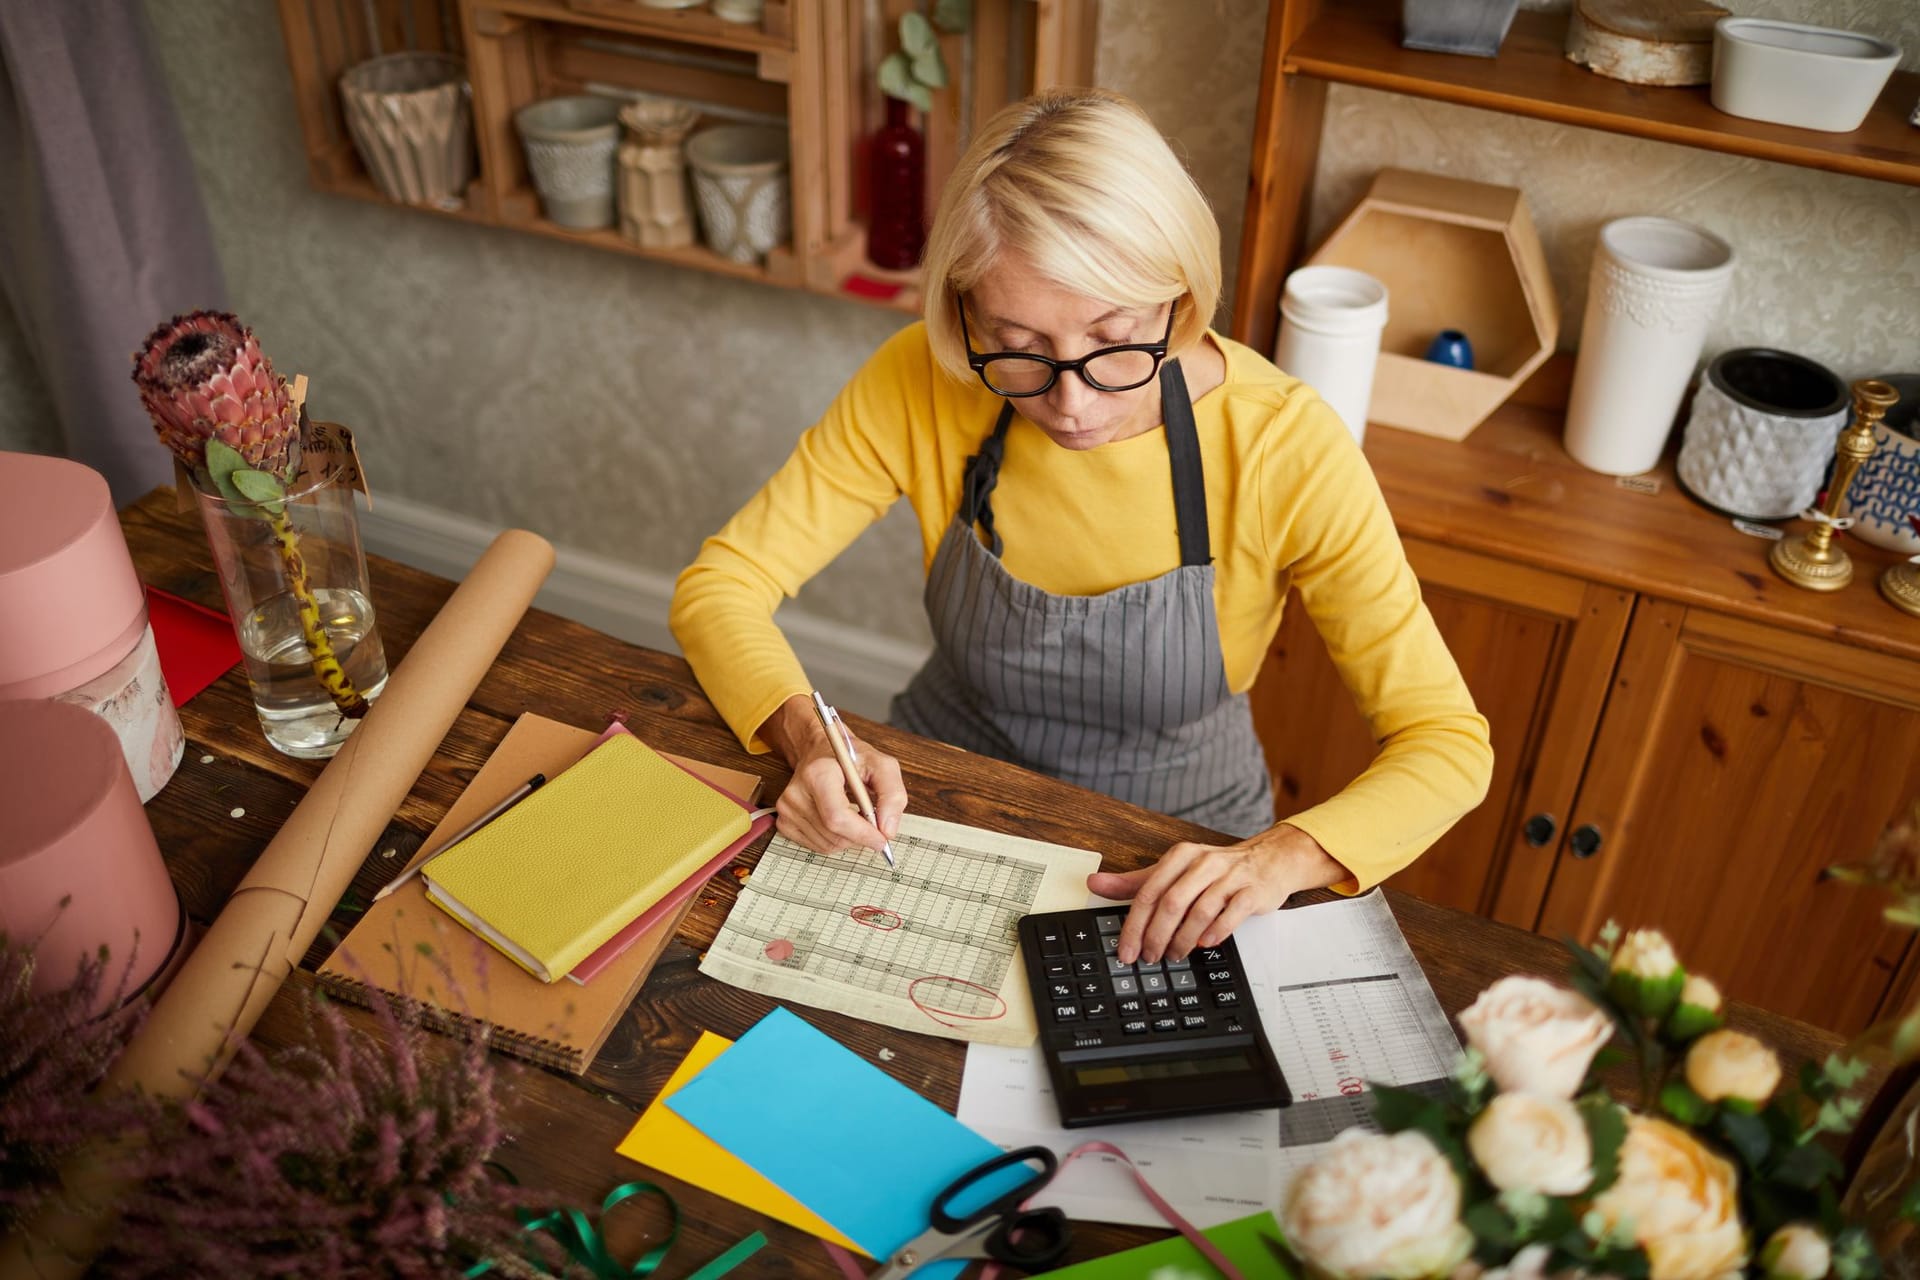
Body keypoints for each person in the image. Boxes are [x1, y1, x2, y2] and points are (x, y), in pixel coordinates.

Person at [670, 88, 1492, 968]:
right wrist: (808, 736)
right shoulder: (919, 379)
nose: (1069, 402)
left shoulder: (1285, 444)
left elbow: (1446, 744)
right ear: (964, 317)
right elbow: (720, 587)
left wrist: (1280, 857)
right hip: (940, 799)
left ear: (1179, 296)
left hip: (1179, 846)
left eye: (1113, 341)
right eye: (1019, 347)